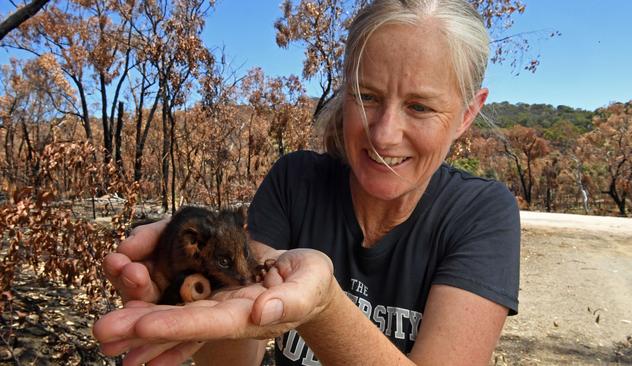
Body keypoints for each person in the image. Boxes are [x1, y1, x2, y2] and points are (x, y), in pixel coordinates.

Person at [93, 0, 520, 365]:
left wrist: (321, 308)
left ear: (467, 113)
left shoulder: (481, 213)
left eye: (420, 106)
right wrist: (205, 298)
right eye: (366, 96)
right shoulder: (296, 180)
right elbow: (238, 342)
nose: (384, 133)